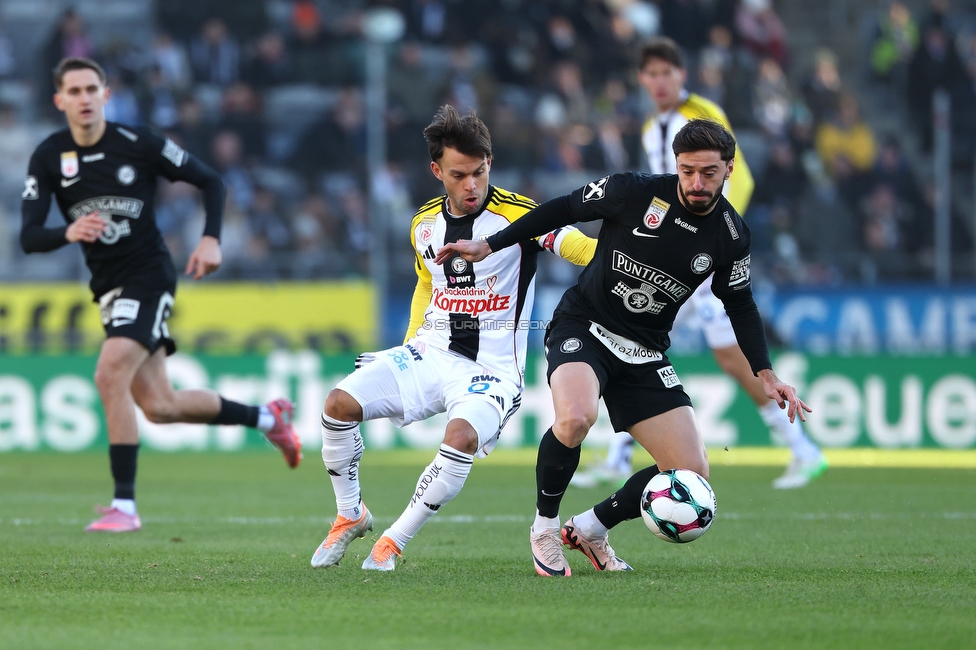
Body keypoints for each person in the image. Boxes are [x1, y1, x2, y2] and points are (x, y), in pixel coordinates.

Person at [437, 118, 812, 575]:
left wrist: (766, 373)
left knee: (691, 472)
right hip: (584, 325)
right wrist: (491, 244)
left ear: (729, 169)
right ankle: (544, 529)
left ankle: (591, 528)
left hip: (644, 350)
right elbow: (563, 209)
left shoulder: (732, 235)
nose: (696, 182)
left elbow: (740, 302)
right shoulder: (632, 191)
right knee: (575, 418)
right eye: (687, 171)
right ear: (676, 165)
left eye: (708, 173)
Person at [19, 57, 301, 533]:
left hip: (148, 276)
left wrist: (211, 239)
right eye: (75, 91)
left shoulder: (138, 142)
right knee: (160, 406)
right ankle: (268, 418)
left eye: (92, 89)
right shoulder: (49, 156)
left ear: (106, 95)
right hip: (107, 287)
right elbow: (29, 237)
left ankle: (124, 506)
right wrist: (68, 231)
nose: (84, 98)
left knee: (109, 372)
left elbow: (211, 180)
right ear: (59, 100)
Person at [309, 105, 595, 572]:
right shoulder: (423, 224)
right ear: (436, 171)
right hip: (431, 352)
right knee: (338, 405)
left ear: (490, 164)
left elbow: (579, 248)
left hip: (492, 370)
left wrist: (631, 252)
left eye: (479, 172)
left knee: (460, 437)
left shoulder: (520, 216)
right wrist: (408, 344)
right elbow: (427, 284)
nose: (471, 186)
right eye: (459, 175)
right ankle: (350, 513)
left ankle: (393, 541)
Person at [572, 36, 825, 491]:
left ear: (681, 75)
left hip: (696, 261)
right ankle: (618, 456)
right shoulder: (651, 127)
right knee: (632, 339)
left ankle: (802, 448)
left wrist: (713, 239)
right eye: (651, 74)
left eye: (667, 73)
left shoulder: (700, 116)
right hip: (667, 258)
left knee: (723, 355)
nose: (659, 82)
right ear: (641, 78)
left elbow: (737, 176)